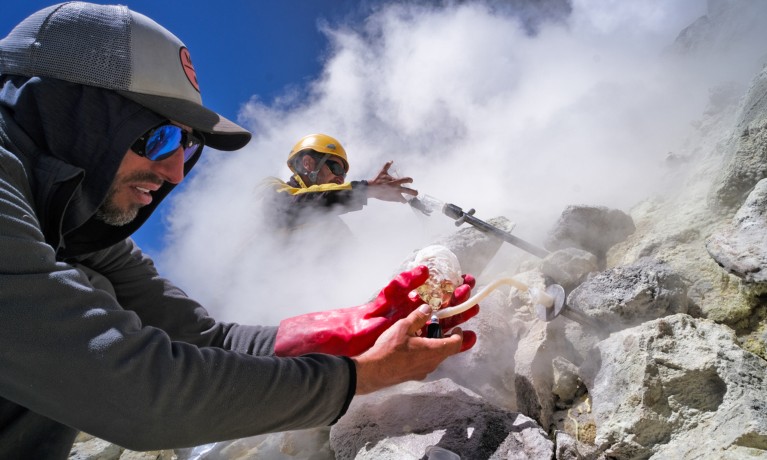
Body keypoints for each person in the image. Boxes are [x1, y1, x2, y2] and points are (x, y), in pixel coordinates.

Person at [0, 3, 479, 458]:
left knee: (96, 284)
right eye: (159, 137)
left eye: (186, 145)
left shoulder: (78, 232)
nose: (175, 172)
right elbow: (139, 393)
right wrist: (359, 377)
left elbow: (209, 341)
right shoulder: (274, 191)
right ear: (69, 112)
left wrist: (359, 324)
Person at [263, 133, 418, 234]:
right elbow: (288, 208)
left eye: (344, 174)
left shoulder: (335, 228)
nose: (341, 178)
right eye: (336, 168)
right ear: (308, 163)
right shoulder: (268, 188)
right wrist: (366, 189)